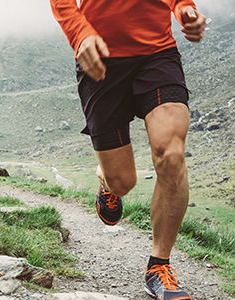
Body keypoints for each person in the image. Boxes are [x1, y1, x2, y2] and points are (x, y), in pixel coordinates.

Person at [50, 0, 206, 299]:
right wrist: (79, 33)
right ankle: (106, 181)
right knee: (123, 182)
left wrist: (186, 9)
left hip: (157, 54)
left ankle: (159, 266)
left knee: (171, 156)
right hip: (100, 58)